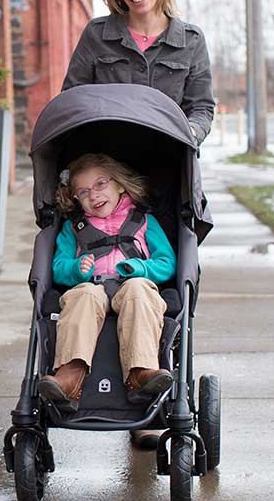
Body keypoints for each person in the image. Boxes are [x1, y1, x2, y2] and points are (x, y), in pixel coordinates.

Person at [38, 153, 176, 417]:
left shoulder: (143, 221)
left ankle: (140, 373)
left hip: (132, 286)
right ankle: (69, 376)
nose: (94, 195)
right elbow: (57, 267)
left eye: (101, 184)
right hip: (93, 288)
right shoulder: (73, 228)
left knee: (139, 291)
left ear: (120, 184)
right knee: (83, 295)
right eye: (83, 191)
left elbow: (167, 262)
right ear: (75, 197)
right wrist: (75, 270)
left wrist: (142, 268)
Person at [62, 0, 215, 146]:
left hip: (169, 158)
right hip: (108, 159)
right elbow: (73, 98)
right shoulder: (96, 35)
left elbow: (201, 108)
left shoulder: (191, 41)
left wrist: (187, 135)